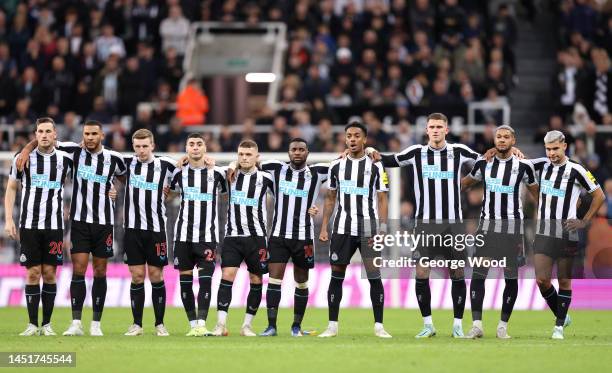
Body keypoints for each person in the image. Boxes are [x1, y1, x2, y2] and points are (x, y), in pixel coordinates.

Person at [16, 120, 127, 337]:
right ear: (83, 135)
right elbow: (44, 140)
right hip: (78, 221)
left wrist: (115, 188)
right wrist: (27, 149)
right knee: (78, 269)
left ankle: (96, 323)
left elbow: (126, 175)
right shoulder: (72, 151)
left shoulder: (114, 158)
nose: (90, 137)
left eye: (94, 134)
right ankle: (76, 322)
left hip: (104, 222)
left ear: (102, 135)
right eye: (87, 134)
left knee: (100, 271)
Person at [228, 138, 327, 337]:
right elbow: (248, 161)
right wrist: (232, 163)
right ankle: (271, 326)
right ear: (288, 152)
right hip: (278, 236)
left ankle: (296, 326)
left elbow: (342, 164)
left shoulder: (317, 173)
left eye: (301, 149)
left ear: (307, 153)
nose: (297, 152)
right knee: (274, 280)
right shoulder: (275, 168)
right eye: (293, 149)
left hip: (304, 236)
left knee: (301, 281)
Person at [461, 125, 539, 338]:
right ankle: (477, 325)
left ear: (513, 140)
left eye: (506, 137)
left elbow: (537, 195)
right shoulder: (483, 163)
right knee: (479, 274)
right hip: (487, 226)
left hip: (512, 228)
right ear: (494, 140)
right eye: (499, 137)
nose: (502, 140)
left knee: (511, 278)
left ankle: (502, 326)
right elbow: (464, 184)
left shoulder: (524, 165)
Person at [318, 122, 392, 338]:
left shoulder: (376, 166)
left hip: (369, 228)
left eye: (356, 135)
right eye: (348, 135)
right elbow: (330, 198)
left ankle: (379, 325)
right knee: (336, 274)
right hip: (342, 228)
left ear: (364, 139)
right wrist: (324, 227)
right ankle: (332, 325)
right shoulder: (336, 165)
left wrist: (384, 227)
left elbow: (382, 198)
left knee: (373, 275)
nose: (352, 139)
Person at [530, 130, 605, 339]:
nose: (551, 153)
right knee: (541, 280)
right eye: (548, 149)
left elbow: (599, 195)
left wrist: (584, 220)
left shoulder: (577, 170)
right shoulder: (541, 165)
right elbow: (520, 162)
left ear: (564, 146)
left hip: (566, 233)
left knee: (564, 280)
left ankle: (559, 326)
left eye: (555, 149)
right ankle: (562, 313)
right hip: (544, 232)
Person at [5, 118, 73, 336]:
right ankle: (32, 324)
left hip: (54, 226)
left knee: (50, 274)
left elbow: (86, 182)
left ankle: (47, 324)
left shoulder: (66, 159)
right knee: (33, 273)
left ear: (55, 135)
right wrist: (9, 218)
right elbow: (12, 188)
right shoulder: (23, 158)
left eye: (48, 131)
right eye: (40, 131)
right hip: (29, 225)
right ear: (35, 134)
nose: (43, 135)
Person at [211, 140, 274, 337]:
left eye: (248, 154)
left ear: (257, 157)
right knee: (227, 276)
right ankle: (221, 324)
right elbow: (205, 163)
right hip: (233, 236)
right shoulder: (229, 175)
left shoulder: (266, 178)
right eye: (241, 154)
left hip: (257, 238)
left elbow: (286, 197)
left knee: (256, 279)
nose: (244, 158)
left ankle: (247, 326)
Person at [118, 129, 177, 336]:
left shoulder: (167, 165)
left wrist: (171, 191)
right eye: (137, 146)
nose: (141, 150)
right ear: (133, 147)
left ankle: (160, 324)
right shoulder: (126, 163)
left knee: (155, 275)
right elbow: (106, 168)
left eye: (145, 146)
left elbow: (185, 172)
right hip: (133, 229)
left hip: (156, 229)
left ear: (152, 145)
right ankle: (137, 324)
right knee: (136, 276)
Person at [169, 134, 227, 336]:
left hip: (207, 237)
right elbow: (166, 194)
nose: (195, 147)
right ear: (186, 148)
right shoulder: (178, 172)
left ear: (205, 148)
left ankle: (202, 323)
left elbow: (233, 183)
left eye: (199, 144)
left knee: (205, 281)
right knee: (185, 281)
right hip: (183, 237)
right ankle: (193, 324)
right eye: (191, 144)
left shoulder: (218, 172)